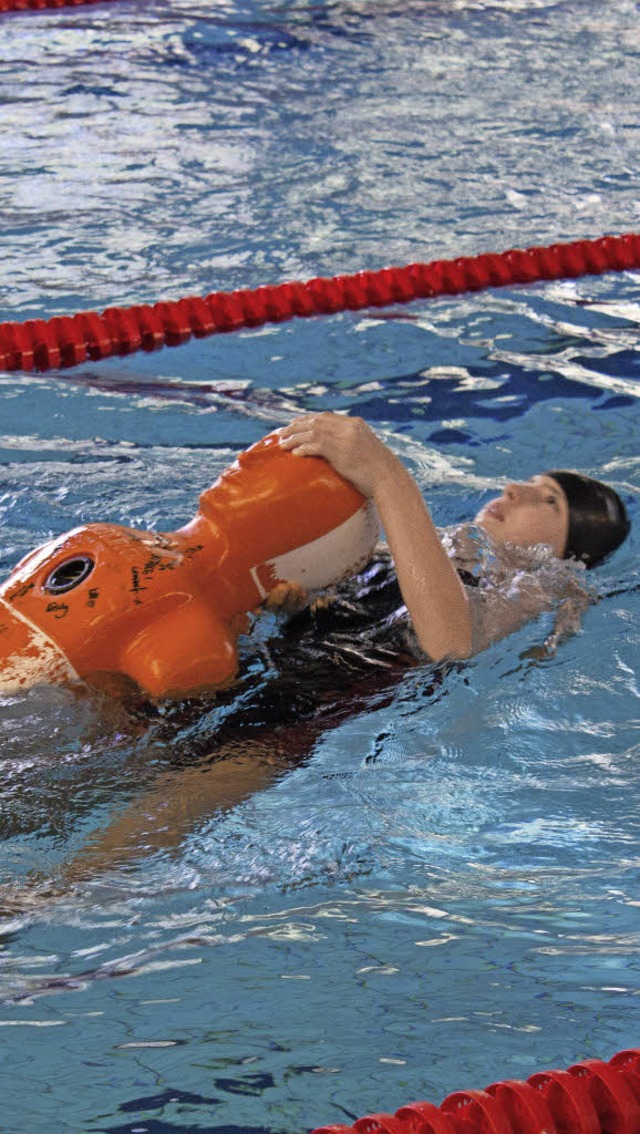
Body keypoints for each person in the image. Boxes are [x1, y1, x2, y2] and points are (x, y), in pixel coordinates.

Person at [0, 412, 630, 913]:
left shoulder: (542, 586)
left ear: (570, 544)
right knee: (28, 792)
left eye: (546, 500)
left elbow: (450, 643)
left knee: (69, 881)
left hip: (284, 728)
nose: (514, 489)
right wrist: (290, 602)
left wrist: (387, 476)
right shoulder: (432, 547)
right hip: (227, 682)